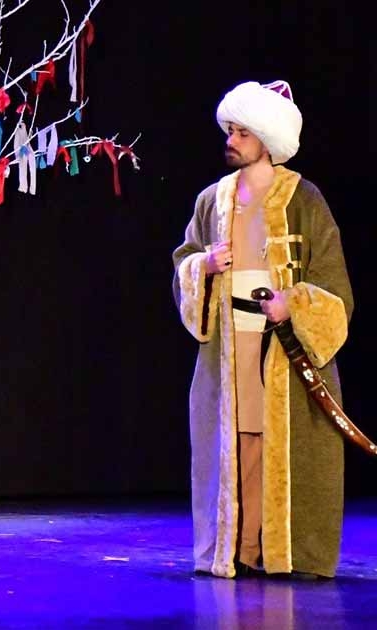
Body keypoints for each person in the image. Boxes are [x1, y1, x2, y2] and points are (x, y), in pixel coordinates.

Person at [172, 80, 353, 580]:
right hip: (230, 344)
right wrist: (205, 266)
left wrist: (292, 303)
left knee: (277, 442)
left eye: (242, 132)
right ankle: (239, 549)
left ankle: (283, 552)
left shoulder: (305, 200)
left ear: (266, 139)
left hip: (283, 345)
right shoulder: (212, 200)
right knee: (238, 441)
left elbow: (333, 282)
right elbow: (184, 261)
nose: (231, 140)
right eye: (229, 130)